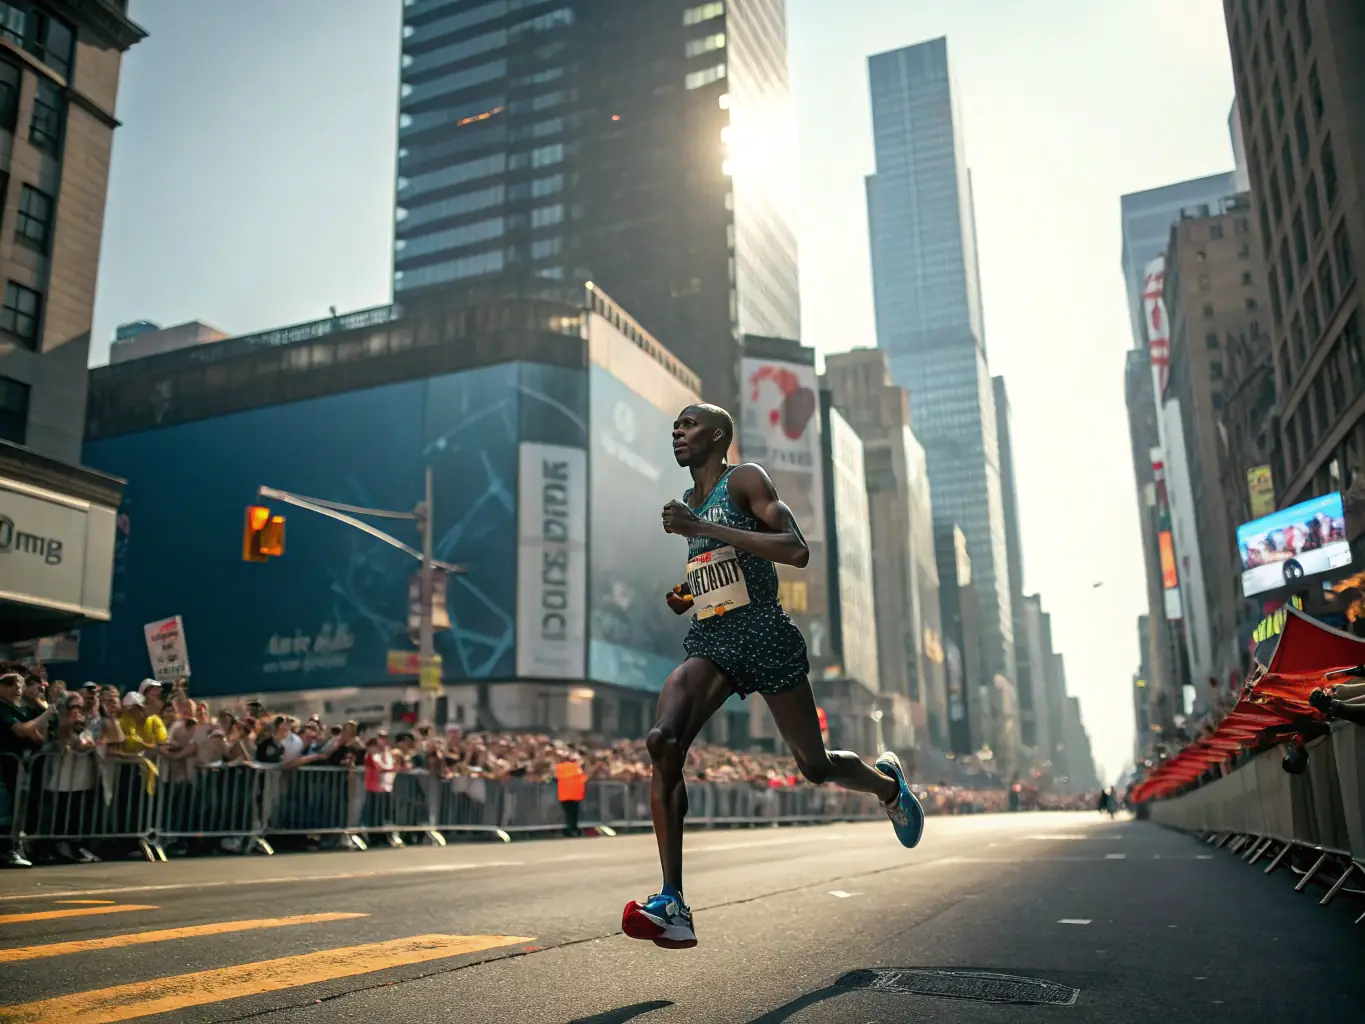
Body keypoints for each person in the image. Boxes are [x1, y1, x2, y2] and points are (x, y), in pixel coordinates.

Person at [621, 404, 925, 949]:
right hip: (713, 641)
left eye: (687, 426)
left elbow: (795, 550)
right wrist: (687, 592)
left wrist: (700, 527)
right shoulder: (691, 503)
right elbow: (724, 566)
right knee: (662, 741)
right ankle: (673, 902)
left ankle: (887, 786)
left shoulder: (745, 480)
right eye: (674, 428)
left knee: (814, 765)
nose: (677, 433)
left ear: (717, 436)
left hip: (765, 634)